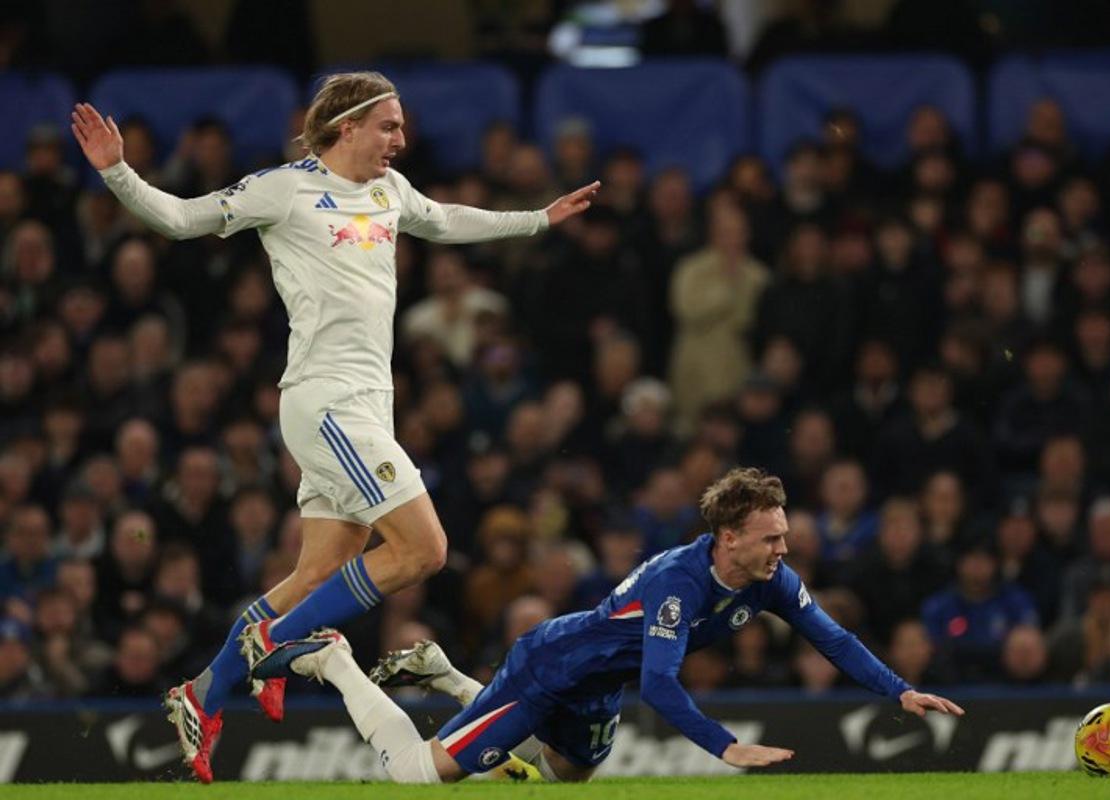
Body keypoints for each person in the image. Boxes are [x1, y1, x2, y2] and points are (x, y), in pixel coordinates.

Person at [71, 71, 600, 783]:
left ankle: (201, 693)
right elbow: (181, 218)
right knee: (424, 550)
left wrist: (537, 218)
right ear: (346, 126)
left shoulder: (389, 191)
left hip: (364, 406)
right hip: (327, 403)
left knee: (318, 571)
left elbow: (446, 219)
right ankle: (273, 645)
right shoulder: (282, 189)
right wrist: (120, 174)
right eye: (388, 126)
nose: (401, 140)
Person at [255, 468, 963, 783]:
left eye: (783, 536)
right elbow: (659, 685)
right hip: (549, 671)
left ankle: (443, 673)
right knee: (418, 776)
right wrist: (725, 746)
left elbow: (831, 636)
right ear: (728, 538)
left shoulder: (770, 579)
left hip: (597, 687)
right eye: (771, 538)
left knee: (564, 780)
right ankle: (334, 659)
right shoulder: (677, 586)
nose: (784, 549)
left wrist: (897, 691)